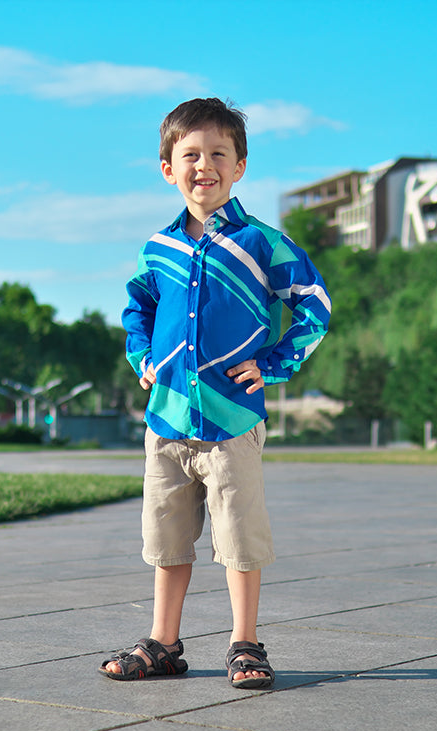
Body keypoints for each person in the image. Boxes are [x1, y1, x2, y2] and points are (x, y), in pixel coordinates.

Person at [99, 98, 331, 689]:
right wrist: (142, 357)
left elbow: (314, 304)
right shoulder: (159, 247)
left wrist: (276, 364)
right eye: (191, 155)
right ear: (168, 168)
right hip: (168, 421)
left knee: (238, 539)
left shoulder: (263, 243)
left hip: (232, 421)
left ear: (241, 166)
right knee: (167, 539)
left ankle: (245, 644)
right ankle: (164, 643)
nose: (205, 165)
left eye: (218, 154)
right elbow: (138, 308)